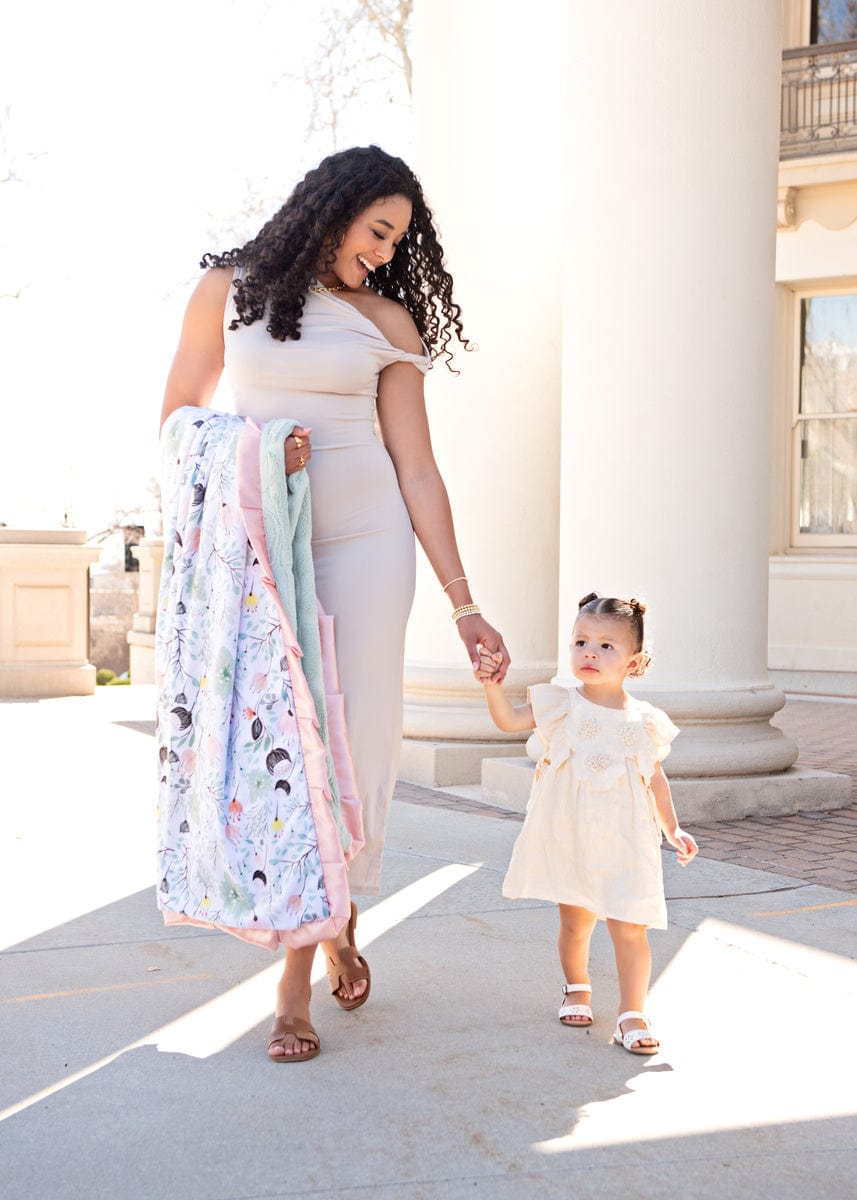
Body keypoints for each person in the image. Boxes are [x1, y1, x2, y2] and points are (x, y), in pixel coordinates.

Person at [159, 145, 509, 1062]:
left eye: (400, 239)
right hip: (259, 548)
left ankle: (300, 971)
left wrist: (465, 604)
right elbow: (177, 419)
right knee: (279, 742)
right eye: (377, 231)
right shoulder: (227, 292)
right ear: (331, 210)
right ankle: (322, 914)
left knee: (353, 740)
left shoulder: (384, 320)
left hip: (367, 548)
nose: (388, 252)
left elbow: (418, 471)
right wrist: (259, 451)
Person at [478, 593, 697, 1055]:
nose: (589, 653)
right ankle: (577, 986)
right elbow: (506, 720)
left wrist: (672, 829)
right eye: (580, 642)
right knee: (575, 921)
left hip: (626, 839)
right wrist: (492, 685)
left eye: (605, 646)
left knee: (630, 925)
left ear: (634, 662)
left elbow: (655, 779)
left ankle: (632, 1012)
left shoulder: (644, 721)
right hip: (572, 833)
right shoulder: (559, 703)